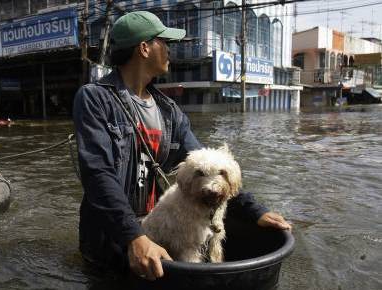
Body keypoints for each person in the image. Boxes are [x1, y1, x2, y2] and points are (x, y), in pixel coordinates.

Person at [72, 11, 291, 281]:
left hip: (155, 232)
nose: (169, 50)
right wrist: (134, 236)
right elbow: (98, 174)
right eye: (164, 43)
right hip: (112, 242)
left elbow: (205, 164)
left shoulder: (168, 110)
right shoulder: (95, 99)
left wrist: (255, 210)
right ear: (143, 48)